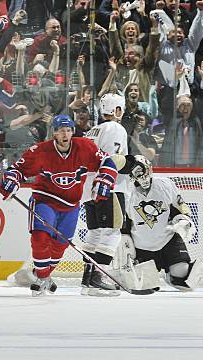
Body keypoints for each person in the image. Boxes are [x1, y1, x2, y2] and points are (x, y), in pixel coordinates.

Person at [0, 115, 119, 296]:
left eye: (69, 130)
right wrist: (11, 181)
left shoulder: (85, 147)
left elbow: (107, 162)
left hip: (71, 205)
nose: (65, 134)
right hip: (45, 200)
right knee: (40, 237)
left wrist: (104, 179)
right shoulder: (40, 151)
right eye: (61, 130)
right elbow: (18, 170)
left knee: (60, 246)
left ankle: (43, 275)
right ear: (54, 132)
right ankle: (42, 277)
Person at [121, 155, 203, 291]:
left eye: (144, 172)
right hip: (143, 245)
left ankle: (172, 276)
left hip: (168, 239)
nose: (143, 178)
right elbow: (125, 224)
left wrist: (184, 220)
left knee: (183, 277)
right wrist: (126, 244)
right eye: (137, 174)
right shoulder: (128, 193)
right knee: (147, 285)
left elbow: (180, 206)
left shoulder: (165, 184)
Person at [81, 93, 132, 296]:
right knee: (112, 231)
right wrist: (132, 163)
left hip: (89, 189)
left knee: (95, 233)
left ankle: (88, 278)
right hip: (110, 187)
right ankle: (99, 277)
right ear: (117, 110)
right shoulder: (116, 128)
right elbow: (113, 160)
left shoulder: (93, 130)